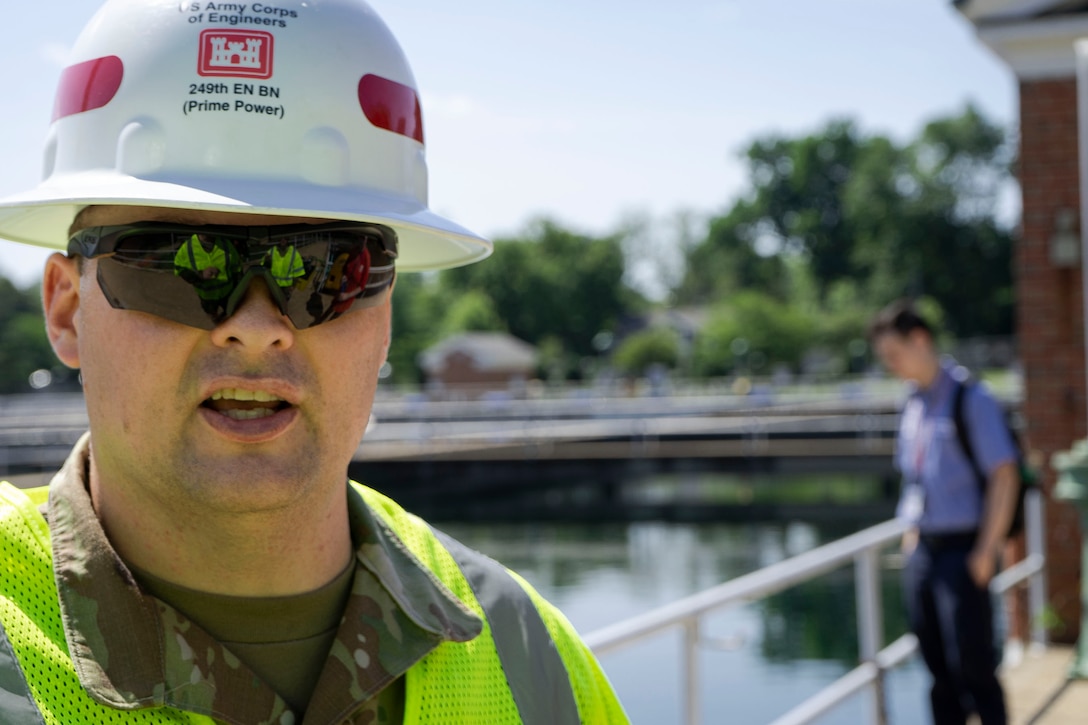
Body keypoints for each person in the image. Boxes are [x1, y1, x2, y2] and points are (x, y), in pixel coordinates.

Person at [0, 0, 628, 722]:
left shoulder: (529, 652)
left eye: (327, 269)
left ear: (383, 312)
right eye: (178, 263)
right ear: (65, 309)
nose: (258, 329)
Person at [868, 300, 1019, 725]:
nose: (891, 365)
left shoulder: (972, 399)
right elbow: (914, 478)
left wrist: (987, 550)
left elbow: (1004, 476)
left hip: (964, 549)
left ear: (920, 340)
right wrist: (912, 537)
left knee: (974, 668)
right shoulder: (912, 403)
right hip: (925, 550)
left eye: (894, 354)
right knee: (935, 671)